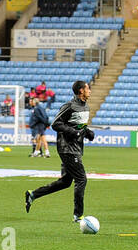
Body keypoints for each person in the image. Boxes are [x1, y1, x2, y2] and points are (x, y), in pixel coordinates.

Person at [24, 80, 98, 224]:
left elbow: (79, 126)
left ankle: (32, 195)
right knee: (82, 179)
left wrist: (87, 132)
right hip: (67, 148)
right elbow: (56, 124)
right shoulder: (69, 106)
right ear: (81, 91)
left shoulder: (85, 107)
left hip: (76, 148)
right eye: (88, 88)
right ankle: (78, 216)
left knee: (65, 182)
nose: (90, 91)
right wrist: (74, 133)